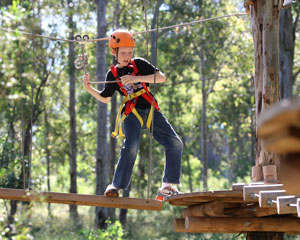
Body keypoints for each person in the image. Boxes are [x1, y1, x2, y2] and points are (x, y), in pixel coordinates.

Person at [82, 29, 183, 200]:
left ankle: (167, 186)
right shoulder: (112, 74)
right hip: (132, 113)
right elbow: (105, 99)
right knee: (131, 147)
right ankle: (116, 186)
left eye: (130, 52)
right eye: (123, 52)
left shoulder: (139, 64)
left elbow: (161, 78)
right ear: (114, 52)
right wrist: (89, 88)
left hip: (150, 109)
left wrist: (136, 79)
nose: (127, 56)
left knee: (176, 143)